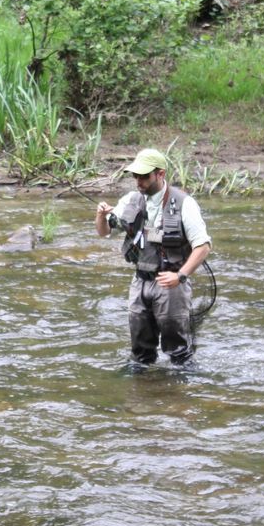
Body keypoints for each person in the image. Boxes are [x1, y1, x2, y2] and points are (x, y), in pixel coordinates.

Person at [95, 148, 211, 367]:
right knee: (139, 351)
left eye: (144, 176)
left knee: (178, 352)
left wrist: (181, 276)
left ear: (160, 174)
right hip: (139, 282)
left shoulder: (185, 204)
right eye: (135, 176)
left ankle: (183, 389)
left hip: (171, 284)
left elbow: (203, 247)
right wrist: (101, 215)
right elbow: (104, 232)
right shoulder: (130, 200)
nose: (139, 182)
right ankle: (140, 385)